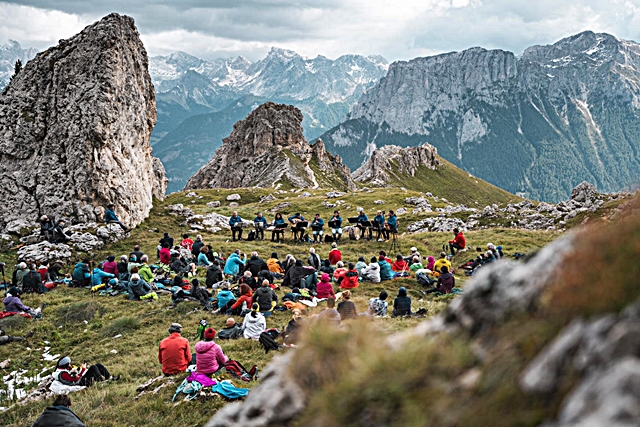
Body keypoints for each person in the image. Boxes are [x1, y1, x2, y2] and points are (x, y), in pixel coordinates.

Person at [54, 356, 118, 387]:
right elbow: (75, 379)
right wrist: (83, 369)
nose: (70, 364)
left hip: (81, 379)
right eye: (69, 363)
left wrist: (81, 369)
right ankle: (101, 382)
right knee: (93, 368)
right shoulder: (63, 374)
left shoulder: (65, 369)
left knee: (98, 365)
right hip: (81, 382)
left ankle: (109, 377)